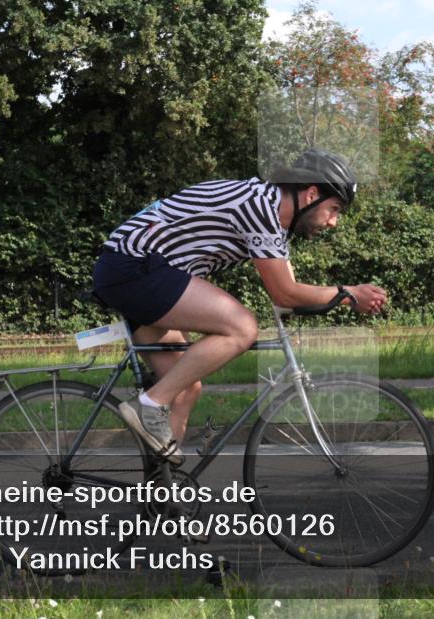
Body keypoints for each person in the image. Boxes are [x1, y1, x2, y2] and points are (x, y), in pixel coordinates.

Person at [92, 149, 387, 464]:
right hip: (135, 267)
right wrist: (348, 294)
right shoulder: (261, 209)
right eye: (334, 209)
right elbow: (285, 294)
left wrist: (337, 298)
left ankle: (164, 498)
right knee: (242, 327)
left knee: (184, 389)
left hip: (143, 270)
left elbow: (289, 295)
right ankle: (148, 405)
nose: (333, 222)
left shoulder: (273, 217)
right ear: (311, 193)